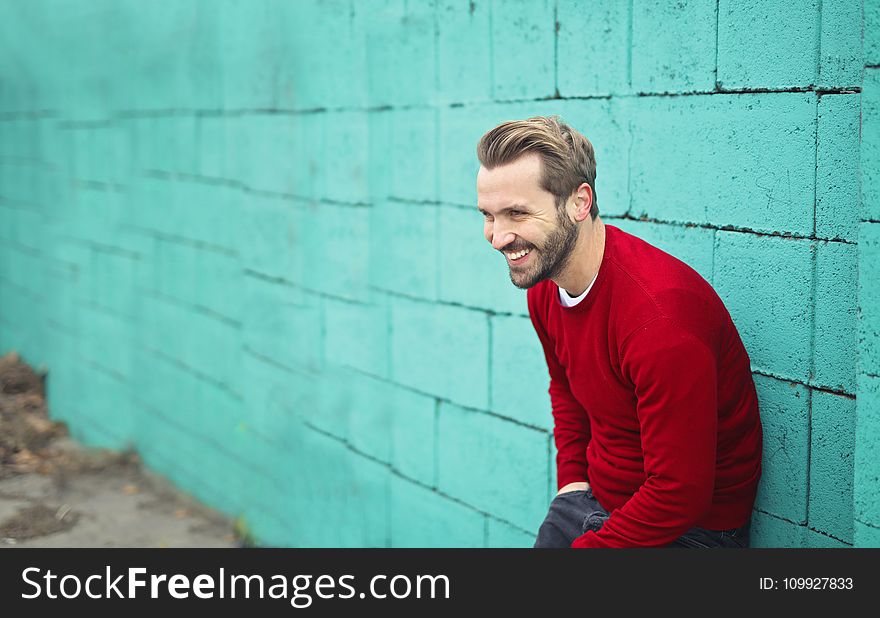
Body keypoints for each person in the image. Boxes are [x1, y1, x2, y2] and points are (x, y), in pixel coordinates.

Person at [475, 116, 763, 548]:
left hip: (691, 531)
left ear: (579, 202)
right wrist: (571, 480)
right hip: (594, 498)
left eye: (516, 213)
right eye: (488, 216)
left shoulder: (660, 319)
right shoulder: (545, 288)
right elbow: (566, 390)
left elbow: (679, 493)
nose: (498, 237)